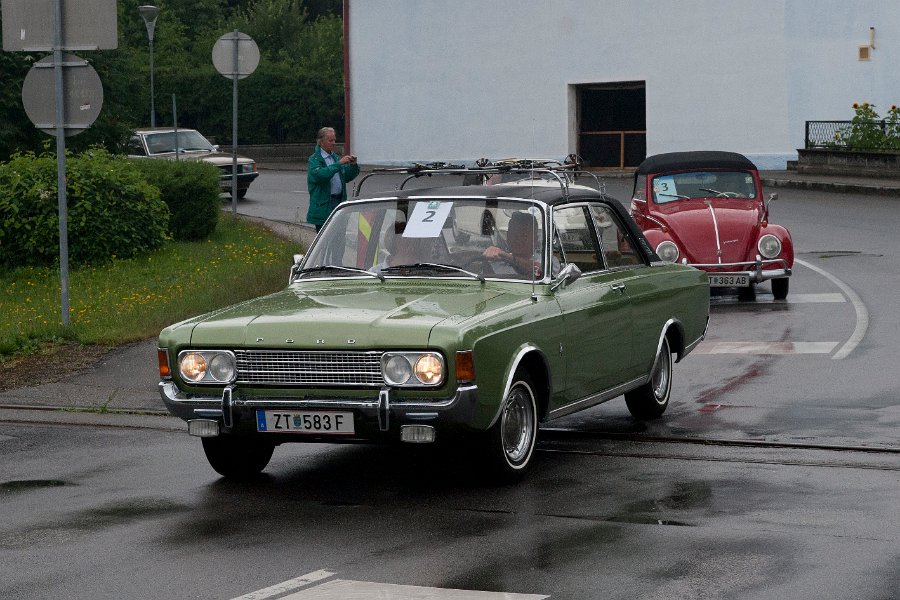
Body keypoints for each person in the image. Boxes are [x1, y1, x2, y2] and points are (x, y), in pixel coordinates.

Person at [307, 127, 360, 232]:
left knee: (340, 237)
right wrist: (339, 164)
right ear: (321, 142)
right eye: (330, 140)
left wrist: (353, 166)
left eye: (334, 140)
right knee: (325, 240)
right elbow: (320, 176)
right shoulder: (314, 160)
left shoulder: (335, 157)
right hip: (324, 205)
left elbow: (346, 176)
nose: (333, 143)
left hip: (339, 200)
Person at [483, 211, 544, 278]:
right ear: (508, 237)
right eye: (513, 234)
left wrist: (507, 256)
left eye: (524, 236)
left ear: (535, 239)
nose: (517, 239)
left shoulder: (545, 259)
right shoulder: (496, 261)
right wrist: (489, 254)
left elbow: (538, 269)